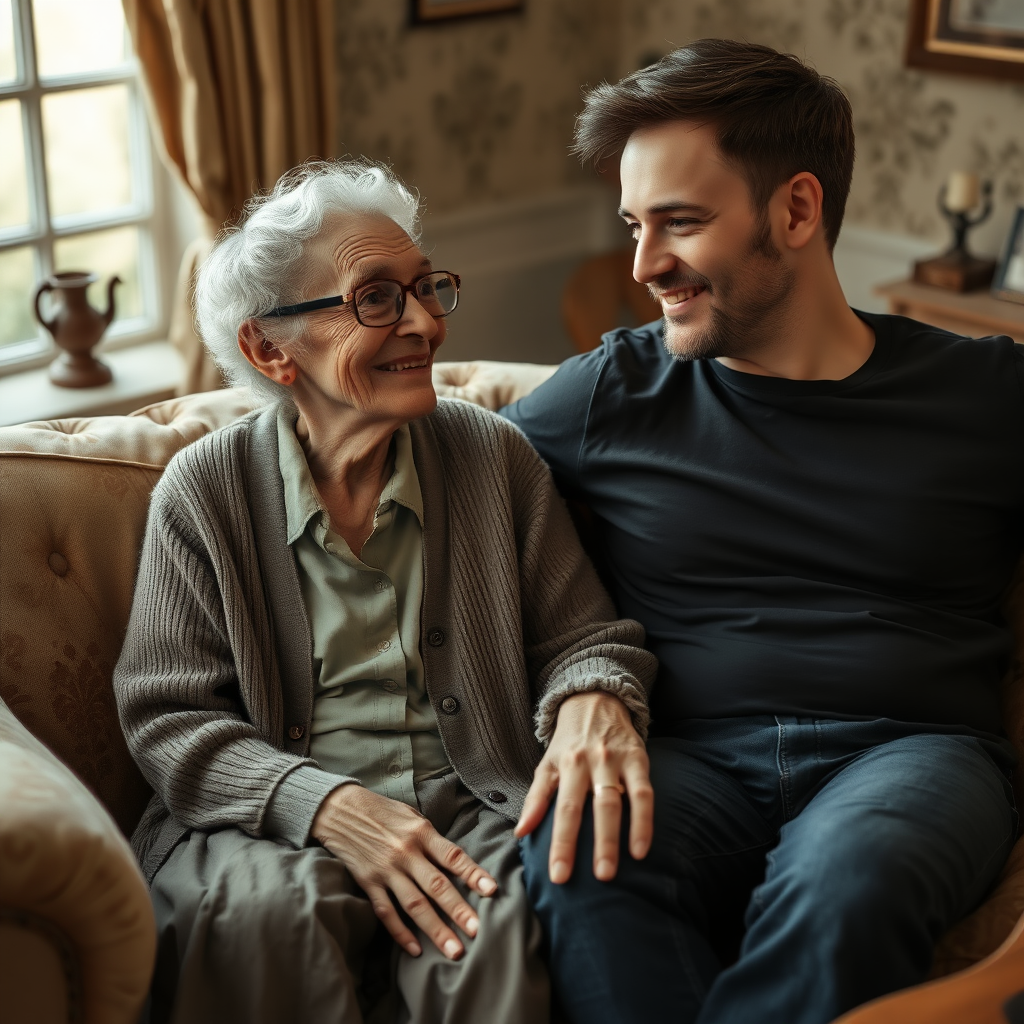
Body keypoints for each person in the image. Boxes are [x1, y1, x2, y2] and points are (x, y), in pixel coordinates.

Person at [435, 39, 1023, 1024]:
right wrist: (584, 685)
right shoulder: (613, 392)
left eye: (680, 222)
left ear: (795, 210)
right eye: (632, 224)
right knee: (580, 853)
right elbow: (436, 478)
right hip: (690, 755)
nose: (642, 263)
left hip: (913, 756)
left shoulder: (985, 394)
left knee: (849, 881)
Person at [112, 159, 656, 1024]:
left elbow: (584, 638)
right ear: (268, 348)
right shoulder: (204, 490)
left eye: (427, 287)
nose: (424, 322)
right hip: (267, 819)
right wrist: (323, 803)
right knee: (262, 924)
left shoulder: (490, 456)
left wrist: (595, 692)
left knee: (487, 937)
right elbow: (168, 718)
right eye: (376, 298)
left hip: (475, 799)